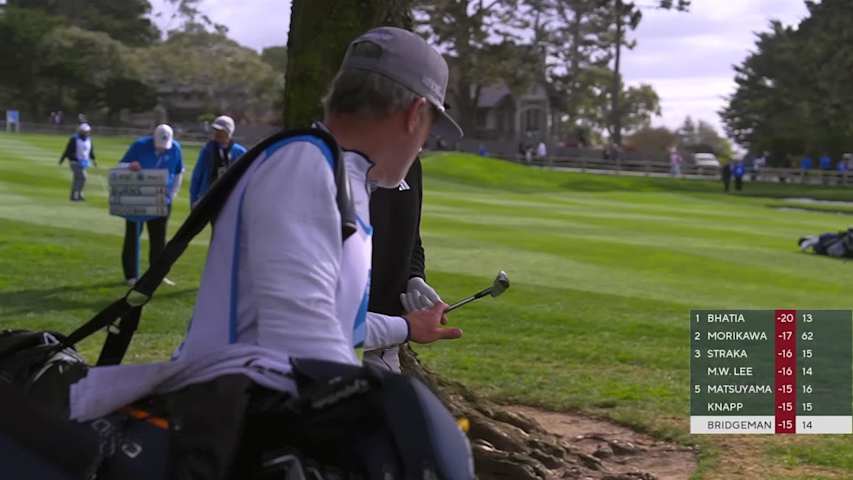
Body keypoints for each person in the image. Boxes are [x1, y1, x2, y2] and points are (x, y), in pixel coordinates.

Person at [70, 25, 465, 435]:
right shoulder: (304, 168)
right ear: (415, 113)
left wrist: (406, 327)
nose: (422, 145)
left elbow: (333, 325)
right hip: (225, 434)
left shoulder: (345, 176)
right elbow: (301, 346)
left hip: (258, 427)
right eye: (429, 129)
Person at [363, 156, 440, 373]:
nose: (422, 143)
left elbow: (412, 240)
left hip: (385, 347)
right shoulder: (332, 167)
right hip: (329, 348)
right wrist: (406, 327)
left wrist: (414, 277)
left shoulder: (411, 164)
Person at [118, 124, 184, 287]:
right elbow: (121, 166)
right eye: (159, 145)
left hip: (162, 198)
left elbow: (178, 172)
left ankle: (157, 275)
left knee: (159, 239)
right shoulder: (139, 145)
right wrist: (129, 166)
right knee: (133, 236)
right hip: (138, 196)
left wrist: (173, 193)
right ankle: (131, 275)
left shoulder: (175, 149)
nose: (162, 149)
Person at [189, 115, 247, 208]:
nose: (217, 133)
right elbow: (197, 175)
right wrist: (193, 199)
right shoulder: (208, 150)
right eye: (215, 130)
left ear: (229, 132)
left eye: (221, 130)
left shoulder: (240, 152)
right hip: (207, 197)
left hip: (230, 199)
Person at [58, 123, 96, 201]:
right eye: (84, 132)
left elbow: (90, 151)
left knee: (77, 179)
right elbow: (68, 151)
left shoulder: (89, 140)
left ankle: (74, 195)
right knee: (83, 177)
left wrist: (93, 159)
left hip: (84, 162)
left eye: (87, 132)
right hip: (75, 162)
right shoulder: (74, 139)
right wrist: (62, 160)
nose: (86, 133)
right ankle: (77, 194)